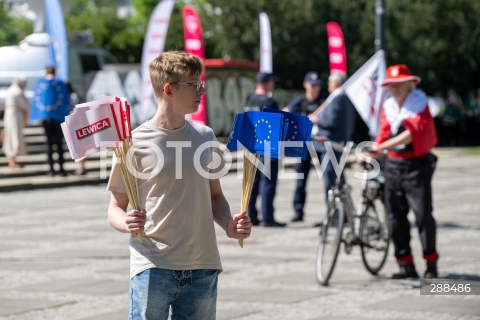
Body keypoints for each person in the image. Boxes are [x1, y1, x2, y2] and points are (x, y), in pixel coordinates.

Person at [107, 51, 252, 319]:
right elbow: (115, 208)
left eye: (202, 83)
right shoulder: (132, 142)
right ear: (168, 89)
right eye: (194, 84)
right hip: (153, 264)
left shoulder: (205, 136)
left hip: (202, 264)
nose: (202, 90)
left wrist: (230, 226)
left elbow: (215, 196)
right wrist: (126, 221)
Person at [373, 64, 439, 279]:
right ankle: (405, 263)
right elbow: (383, 134)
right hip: (393, 165)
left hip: (416, 166)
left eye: (399, 84)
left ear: (410, 84)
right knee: (394, 217)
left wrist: (384, 146)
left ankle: (430, 262)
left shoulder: (419, 103)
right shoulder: (389, 106)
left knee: (423, 215)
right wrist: (372, 151)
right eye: (392, 84)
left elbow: (412, 133)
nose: (395, 88)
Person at [291, 72, 355, 223]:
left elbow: (331, 121)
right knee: (333, 180)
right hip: (314, 144)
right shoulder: (302, 101)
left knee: (331, 181)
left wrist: (316, 119)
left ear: (335, 83)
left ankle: (335, 216)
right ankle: (337, 215)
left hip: (328, 145)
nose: (324, 86)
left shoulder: (334, 99)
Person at [243, 72, 285, 227]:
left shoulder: (249, 99)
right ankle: (267, 217)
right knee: (267, 183)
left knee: (252, 183)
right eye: (272, 82)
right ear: (266, 83)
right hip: (267, 147)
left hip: (251, 146)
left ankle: (252, 216)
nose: (273, 84)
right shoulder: (270, 102)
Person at [30, 66, 71, 176]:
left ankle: (51, 170)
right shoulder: (60, 82)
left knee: (49, 144)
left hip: (45, 117)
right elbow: (66, 99)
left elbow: (36, 100)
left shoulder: (40, 83)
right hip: (58, 117)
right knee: (59, 144)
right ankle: (62, 170)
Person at [2, 77, 30, 168]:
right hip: (15, 116)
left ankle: (12, 160)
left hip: (9, 115)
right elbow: (26, 106)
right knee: (14, 136)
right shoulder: (17, 92)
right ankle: (12, 160)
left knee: (11, 136)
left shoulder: (10, 90)